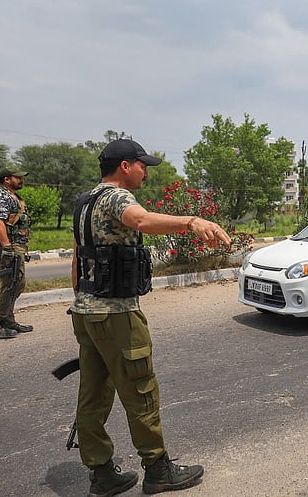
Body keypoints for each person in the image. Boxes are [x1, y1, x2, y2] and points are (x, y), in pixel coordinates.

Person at [70, 138, 230, 495]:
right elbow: (140, 220)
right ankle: (158, 469)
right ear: (124, 166)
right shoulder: (116, 197)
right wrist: (191, 221)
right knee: (140, 390)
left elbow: (79, 259)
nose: (146, 171)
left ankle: (101, 473)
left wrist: (81, 302)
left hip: (85, 311)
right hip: (116, 314)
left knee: (93, 394)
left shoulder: (84, 201)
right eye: (142, 165)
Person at [0, 167, 33, 339]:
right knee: (15, 282)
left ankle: (8, 320)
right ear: (6, 179)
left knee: (12, 282)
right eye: (17, 178)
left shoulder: (15, 197)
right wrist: (6, 246)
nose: (21, 180)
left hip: (15, 245)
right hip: (5, 245)